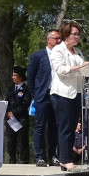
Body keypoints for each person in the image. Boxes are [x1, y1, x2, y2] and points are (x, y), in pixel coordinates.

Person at [50, 20, 89, 171]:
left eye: (78, 35)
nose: (77, 37)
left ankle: (67, 158)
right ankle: (64, 159)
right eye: (75, 34)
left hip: (77, 93)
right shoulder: (58, 50)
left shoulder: (78, 52)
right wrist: (78, 67)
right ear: (66, 35)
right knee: (64, 127)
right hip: (62, 94)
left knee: (73, 127)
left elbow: (82, 69)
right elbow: (60, 70)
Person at [28, 28, 61, 167]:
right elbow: (30, 77)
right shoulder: (38, 56)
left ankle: (53, 155)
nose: (59, 41)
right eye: (56, 38)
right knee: (40, 126)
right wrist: (35, 94)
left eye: (60, 38)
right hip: (42, 95)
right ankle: (39, 157)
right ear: (48, 40)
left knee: (54, 127)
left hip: (56, 94)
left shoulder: (60, 55)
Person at [4, 66, 30, 164]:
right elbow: (7, 101)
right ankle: (12, 159)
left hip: (21, 118)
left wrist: (14, 112)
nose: (13, 77)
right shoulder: (11, 89)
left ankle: (24, 159)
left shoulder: (26, 89)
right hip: (10, 118)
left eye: (15, 75)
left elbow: (25, 104)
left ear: (21, 77)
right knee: (10, 139)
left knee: (22, 139)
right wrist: (9, 113)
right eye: (13, 75)